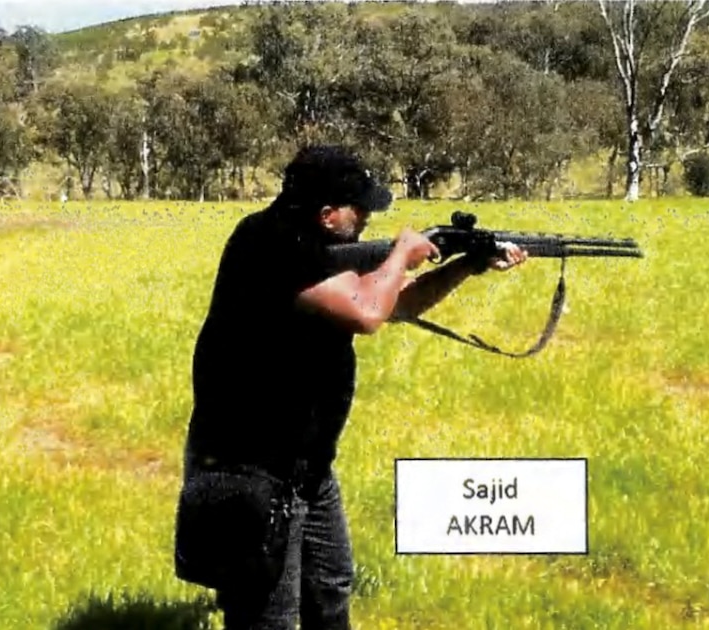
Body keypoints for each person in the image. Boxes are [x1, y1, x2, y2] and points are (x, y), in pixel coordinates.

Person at [173, 144, 527, 630]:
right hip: (252, 468)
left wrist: (466, 264)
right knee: (268, 615)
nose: (366, 219)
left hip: (307, 465)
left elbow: (397, 302)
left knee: (330, 590)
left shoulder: (316, 247)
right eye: (358, 210)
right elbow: (367, 313)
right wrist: (401, 253)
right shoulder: (270, 245)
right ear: (326, 214)